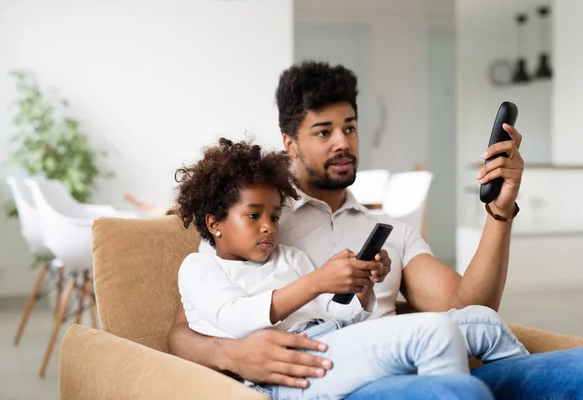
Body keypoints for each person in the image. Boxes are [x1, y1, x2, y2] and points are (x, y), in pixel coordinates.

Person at [168, 61, 583, 399]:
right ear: (290, 144)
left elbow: (468, 307)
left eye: (350, 127)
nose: (343, 142)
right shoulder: (260, 226)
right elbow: (185, 331)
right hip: (346, 381)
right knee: (451, 389)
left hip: (423, 358)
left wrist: (499, 212)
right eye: (324, 132)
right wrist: (234, 355)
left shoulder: (389, 230)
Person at [174, 138, 528, 400]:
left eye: (274, 216)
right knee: (434, 333)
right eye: (254, 216)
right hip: (292, 370)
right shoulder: (199, 267)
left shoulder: (289, 257)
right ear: (215, 222)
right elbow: (237, 318)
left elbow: (337, 313)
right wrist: (315, 282)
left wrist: (362, 289)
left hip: (332, 339)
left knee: (482, 321)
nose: (268, 226)